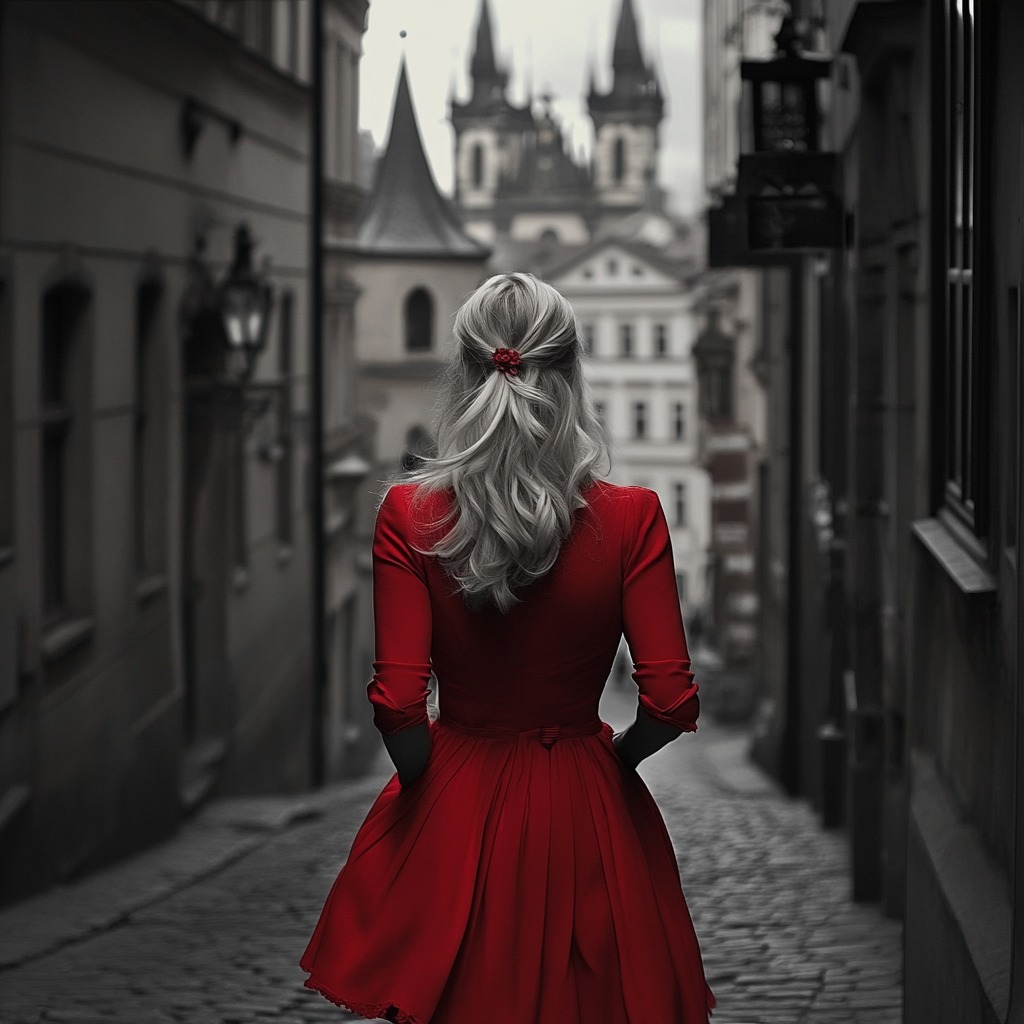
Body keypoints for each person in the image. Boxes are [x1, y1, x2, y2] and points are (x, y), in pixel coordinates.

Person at [300, 273, 715, 1024]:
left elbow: (396, 702)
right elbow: (671, 698)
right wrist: (616, 760)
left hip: (455, 800)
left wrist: (436, 782)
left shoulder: (407, 511)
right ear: (571, 375)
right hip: (587, 808)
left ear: (465, 375)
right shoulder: (634, 518)